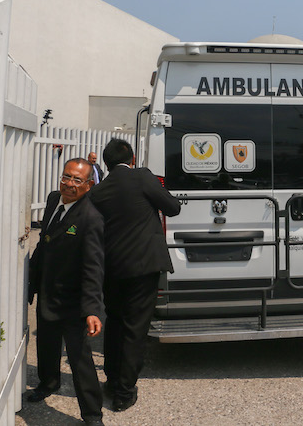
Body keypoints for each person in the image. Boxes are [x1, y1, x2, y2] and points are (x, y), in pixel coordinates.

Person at [88, 138, 181, 412]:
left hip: (112, 268)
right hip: (144, 267)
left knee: (115, 322)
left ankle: (112, 380)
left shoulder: (98, 191)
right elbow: (173, 207)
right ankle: (124, 392)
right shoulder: (142, 177)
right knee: (135, 329)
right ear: (133, 158)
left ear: (105, 163)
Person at [27, 158, 105, 426]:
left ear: (89, 185)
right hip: (48, 288)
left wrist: (92, 309)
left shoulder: (90, 218)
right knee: (46, 343)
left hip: (73, 300)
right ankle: (48, 383)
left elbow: (93, 268)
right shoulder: (52, 200)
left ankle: (92, 414)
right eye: (66, 177)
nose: (69, 184)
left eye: (76, 180)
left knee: (79, 358)